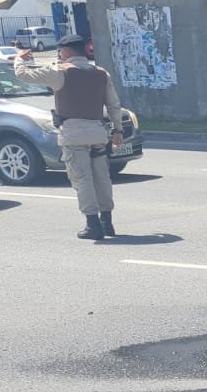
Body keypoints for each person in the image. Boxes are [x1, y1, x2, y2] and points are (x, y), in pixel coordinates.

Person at [15, 34, 125, 240]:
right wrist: (118, 130)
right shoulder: (101, 73)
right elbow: (113, 104)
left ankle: (93, 224)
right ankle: (107, 222)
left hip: (74, 135)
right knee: (102, 179)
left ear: (67, 51)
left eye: (61, 51)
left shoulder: (59, 72)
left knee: (82, 179)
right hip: (98, 133)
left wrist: (19, 58)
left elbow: (23, 75)